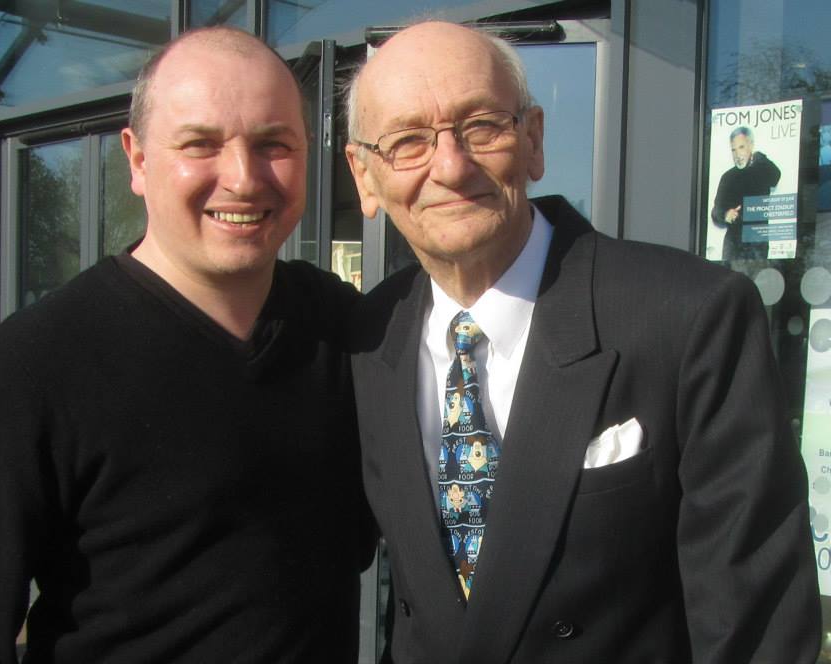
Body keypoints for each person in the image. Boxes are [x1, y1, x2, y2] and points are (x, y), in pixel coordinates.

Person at [344, 21, 818, 664]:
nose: (450, 167)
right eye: (407, 142)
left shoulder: (689, 316)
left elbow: (757, 630)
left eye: (482, 126)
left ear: (533, 141)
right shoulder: (365, 339)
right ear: (365, 177)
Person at [0, 26, 373, 663]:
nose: (243, 178)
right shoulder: (41, 358)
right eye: (200, 144)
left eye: (274, 144)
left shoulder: (344, 329)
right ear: (138, 159)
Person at [711, 125, 781, 260]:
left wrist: (759, 156)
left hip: (757, 244)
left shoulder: (762, 170)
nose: (737, 154)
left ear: (751, 146)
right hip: (733, 245)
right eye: (733, 150)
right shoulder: (728, 177)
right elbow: (715, 211)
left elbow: (776, 176)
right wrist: (725, 214)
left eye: (741, 147)